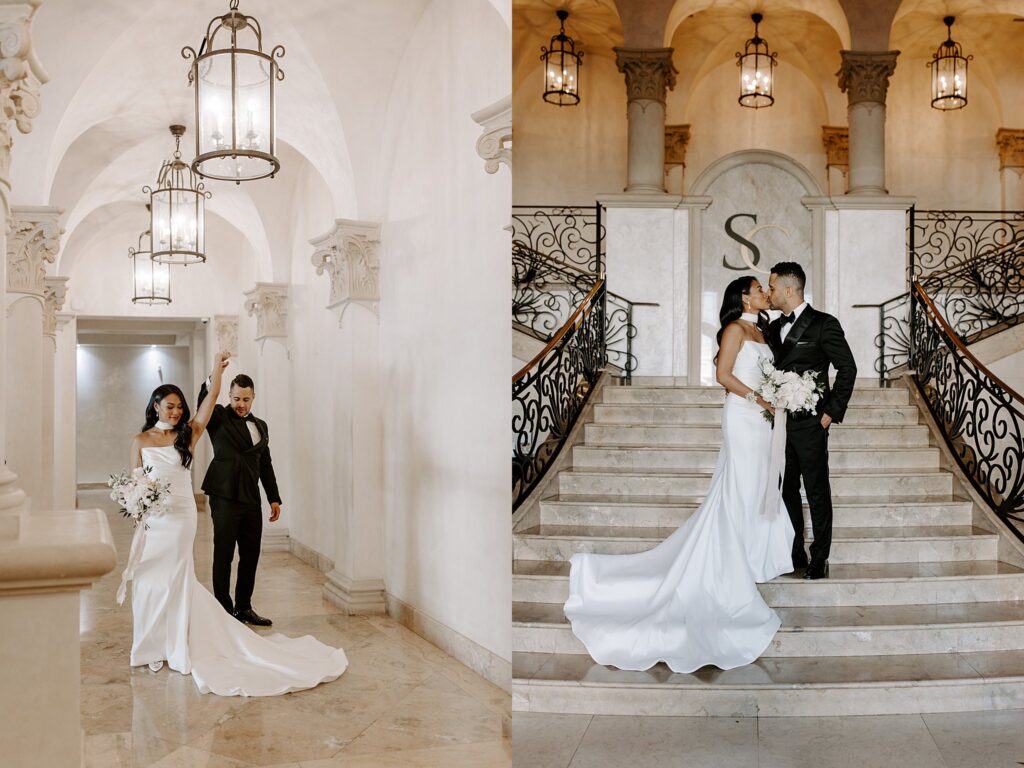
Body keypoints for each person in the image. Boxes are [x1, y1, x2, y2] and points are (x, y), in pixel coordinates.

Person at [563, 276, 795, 673]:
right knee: (739, 483)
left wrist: (779, 396)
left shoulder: (762, 329)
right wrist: (761, 399)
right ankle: (735, 556)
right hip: (744, 416)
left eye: (763, 289)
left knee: (758, 482)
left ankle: (756, 552)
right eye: (758, 288)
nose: (763, 293)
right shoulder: (735, 328)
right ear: (742, 296)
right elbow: (724, 375)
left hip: (764, 418)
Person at [126, 351, 347, 696]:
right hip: (163, 515)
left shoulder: (189, 434)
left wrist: (217, 365)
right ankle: (156, 640)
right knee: (152, 576)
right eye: (169, 406)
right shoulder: (143, 440)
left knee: (186, 572)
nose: (175, 411)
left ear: (253, 398)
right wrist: (137, 505)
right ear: (155, 406)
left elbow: (260, 456)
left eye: (178, 406)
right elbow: (135, 479)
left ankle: (222, 615)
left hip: (185, 513)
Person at [766, 261, 857, 580]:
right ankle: (795, 552)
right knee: (785, 488)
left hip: (811, 422)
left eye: (773, 287)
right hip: (779, 424)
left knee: (816, 491)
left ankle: (820, 557)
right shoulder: (772, 327)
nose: (770, 292)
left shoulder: (824, 324)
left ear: (789, 290)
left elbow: (848, 369)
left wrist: (829, 415)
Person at [197, 372, 279, 626]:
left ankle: (244, 607)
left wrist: (274, 498)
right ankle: (223, 610)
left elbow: (265, 464)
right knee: (223, 553)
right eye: (235, 398)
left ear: (253, 397)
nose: (240, 404)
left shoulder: (261, 426)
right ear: (229, 397)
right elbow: (204, 399)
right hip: (224, 495)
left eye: (245, 399)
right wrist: (214, 375)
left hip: (251, 499)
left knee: (250, 554)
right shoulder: (219, 416)